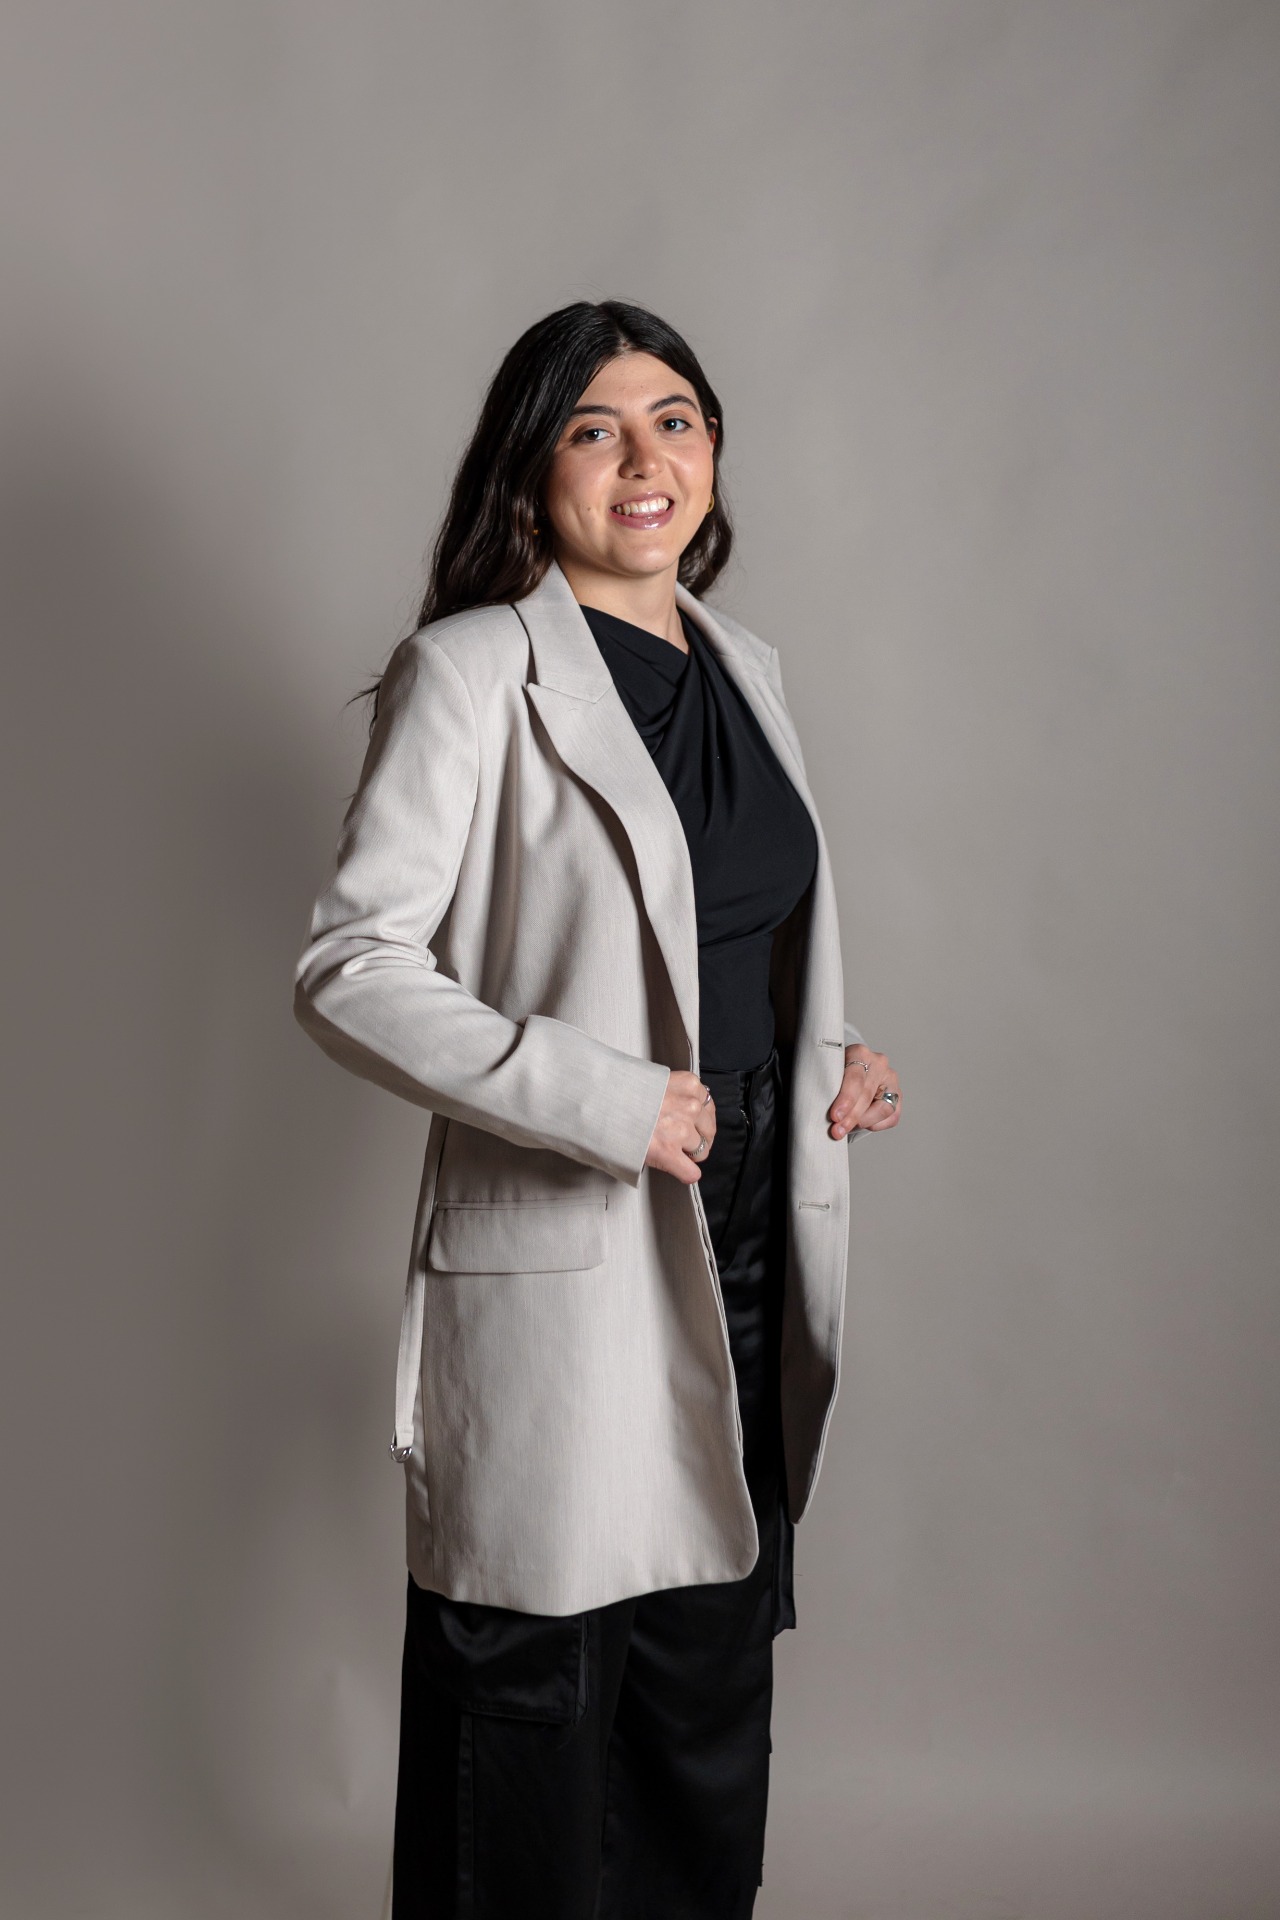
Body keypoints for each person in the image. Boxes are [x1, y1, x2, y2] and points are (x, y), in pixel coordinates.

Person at [293, 299, 902, 1918]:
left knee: (704, 1700)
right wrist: (603, 1100)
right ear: (532, 466)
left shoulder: (748, 669)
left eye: (675, 420)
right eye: (594, 427)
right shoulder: (470, 670)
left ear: (713, 453)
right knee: (534, 1712)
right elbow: (350, 968)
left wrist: (832, 1051)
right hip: (574, 1229)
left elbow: (712, 935)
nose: (646, 458)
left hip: (757, 1225)